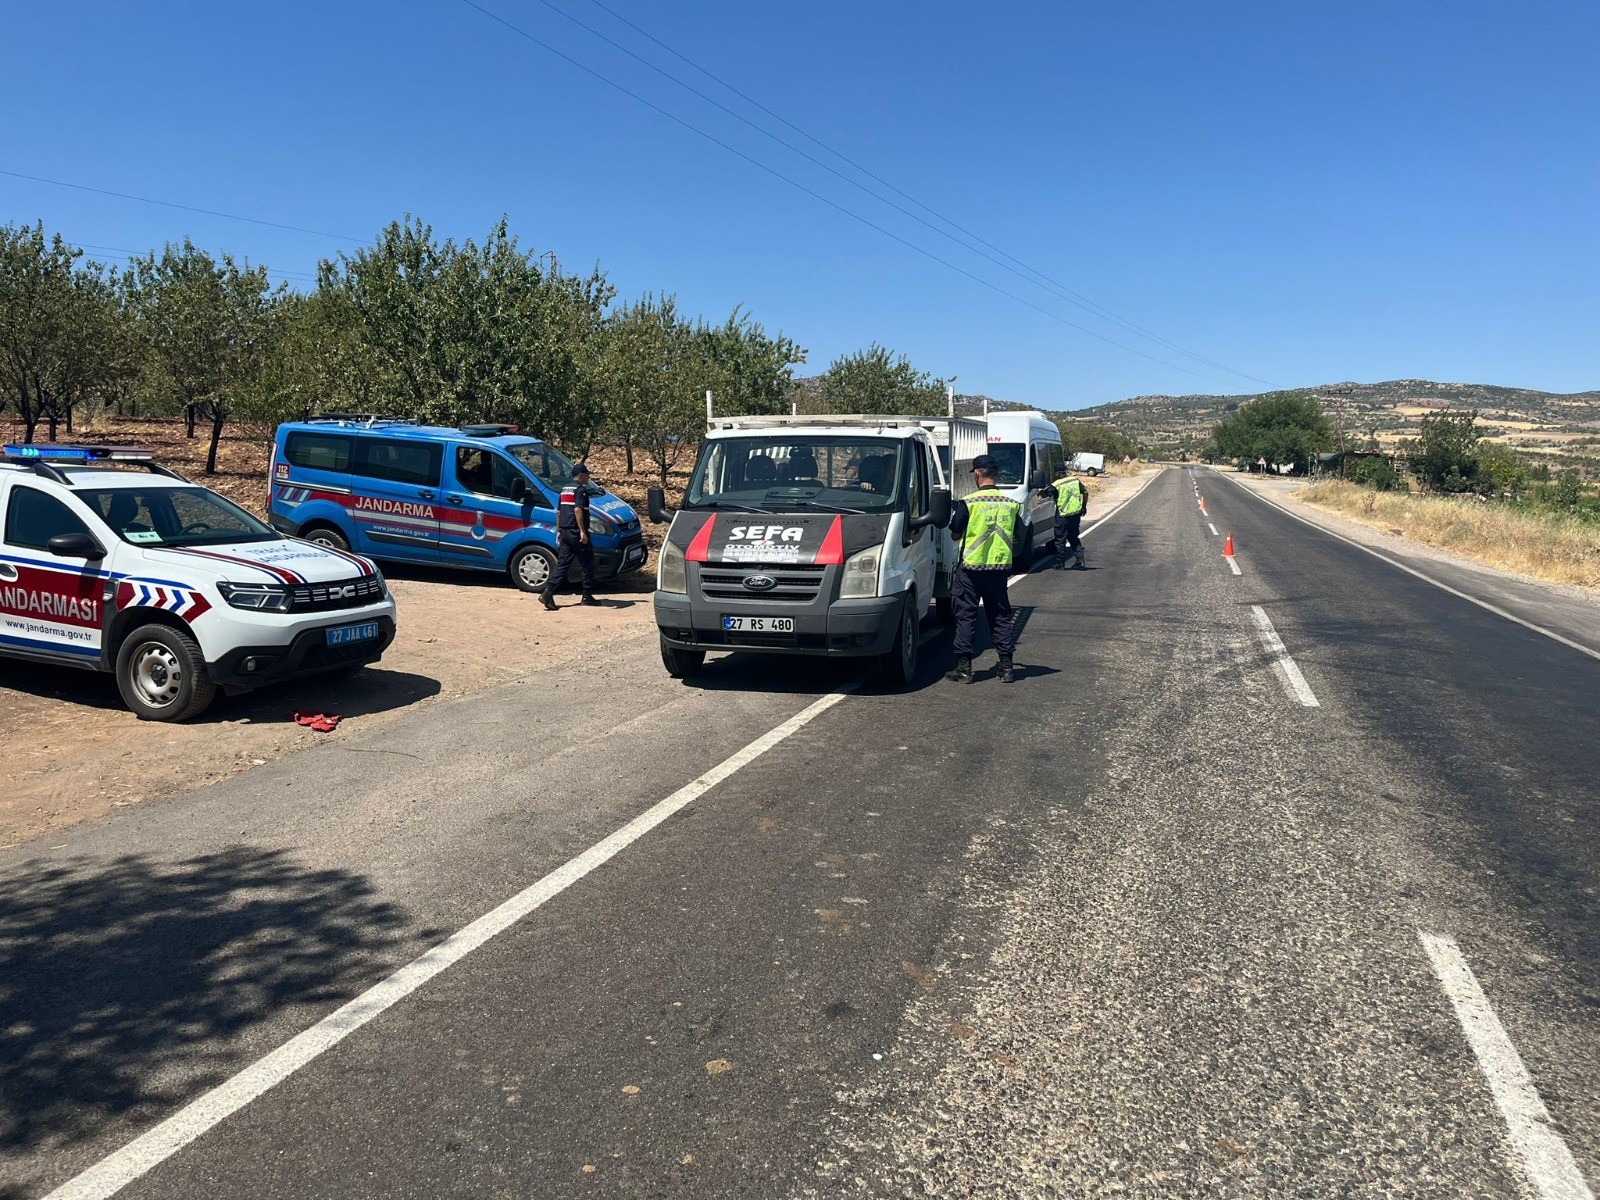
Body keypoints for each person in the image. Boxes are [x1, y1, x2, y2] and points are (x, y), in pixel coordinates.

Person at [944, 454, 1023, 685]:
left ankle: (965, 669)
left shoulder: (968, 503)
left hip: (970, 570)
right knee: (1000, 617)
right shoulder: (1011, 504)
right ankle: (1007, 668)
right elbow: (1016, 534)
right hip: (998, 570)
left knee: (966, 617)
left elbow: (955, 533)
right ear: (996, 474)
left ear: (977, 474)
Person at [540, 462, 600, 610]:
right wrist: (582, 531)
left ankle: (548, 592)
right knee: (588, 563)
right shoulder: (581, 490)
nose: (588, 477)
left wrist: (560, 530)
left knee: (562, 564)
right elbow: (578, 510)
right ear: (581, 475)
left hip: (565, 532)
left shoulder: (564, 490)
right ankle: (587, 595)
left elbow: (559, 512)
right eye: (587, 475)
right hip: (576, 532)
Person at [1042, 465, 1088, 569]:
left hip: (1063, 515)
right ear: (1065, 472)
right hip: (1076, 514)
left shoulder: (1056, 484)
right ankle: (1080, 560)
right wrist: (1083, 507)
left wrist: (1041, 492)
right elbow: (1085, 492)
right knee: (1073, 537)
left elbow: (1045, 495)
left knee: (1060, 539)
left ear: (1057, 473)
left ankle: (1060, 563)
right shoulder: (1074, 480)